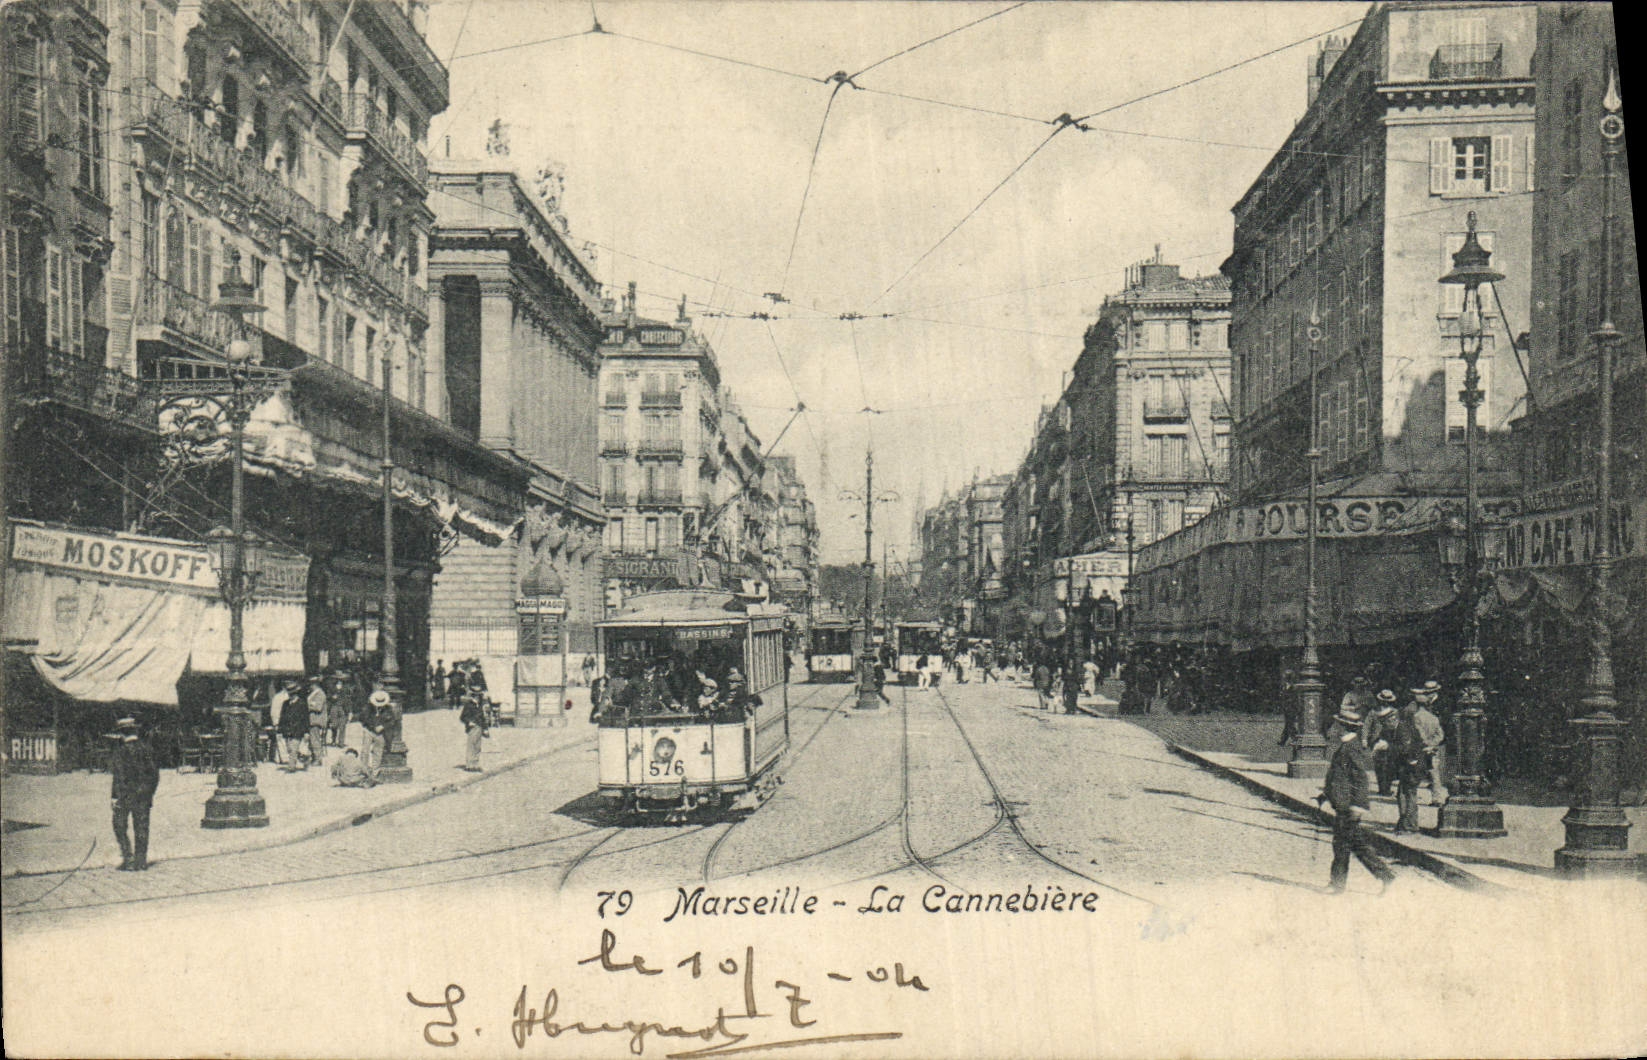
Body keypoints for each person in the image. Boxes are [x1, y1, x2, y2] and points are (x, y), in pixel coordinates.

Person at [1317, 703, 1395, 893]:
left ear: (1343, 727)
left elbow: (1361, 778)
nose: (1333, 728)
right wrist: (1326, 794)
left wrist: (1358, 806)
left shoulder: (1352, 748)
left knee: (1347, 845)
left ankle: (1342, 883)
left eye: (1336, 725)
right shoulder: (1347, 746)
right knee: (1349, 844)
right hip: (1344, 804)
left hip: (1349, 807)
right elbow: (1339, 776)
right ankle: (1382, 876)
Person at [111, 716, 159, 871]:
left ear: (122, 733)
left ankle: (128, 858)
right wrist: (149, 792)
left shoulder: (121, 751)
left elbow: (118, 776)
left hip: (125, 795)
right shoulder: (147, 748)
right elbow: (154, 775)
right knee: (142, 827)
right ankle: (141, 861)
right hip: (143, 796)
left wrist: (114, 796)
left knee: (119, 826)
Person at [1364, 690, 1401, 797]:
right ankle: (1382, 788)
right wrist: (1364, 739)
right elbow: (1366, 726)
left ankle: (1386, 788)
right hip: (1376, 741)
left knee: (1389, 765)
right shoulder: (1373, 712)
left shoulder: (1394, 712)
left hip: (1390, 740)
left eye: (1387, 701)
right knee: (1379, 765)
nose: (1385, 703)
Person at [459, 688, 489, 772]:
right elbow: (462, 717)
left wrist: (485, 729)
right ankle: (469, 765)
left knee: (478, 747)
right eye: (476, 696)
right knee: (471, 746)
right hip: (472, 728)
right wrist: (469, 722)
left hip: (479, 727)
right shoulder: (468, 705)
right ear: (473, 697)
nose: (477, 698)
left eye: (479, 696)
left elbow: (483, 718)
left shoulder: (479, 706)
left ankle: (476, 764)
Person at [361, 689, 389, 775]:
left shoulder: (388, 709)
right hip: (369, 730)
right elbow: (363, 719)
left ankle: (375, 771)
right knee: (365, 750)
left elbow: (392, 720)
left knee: (378, 751)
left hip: (380, 732)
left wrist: (383, 726)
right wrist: (373, 727)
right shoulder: (367, 708)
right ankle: (363, 769)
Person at [306, 677, 330, 769]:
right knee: (312, 740)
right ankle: (313, 757)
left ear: (314, 684)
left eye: (311, 684)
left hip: (317, 720)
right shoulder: (313, 694)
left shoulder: (320, 694)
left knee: (315, 740)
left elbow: (318, 707)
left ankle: (318, 759)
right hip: (312, 720)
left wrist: (308, 706)